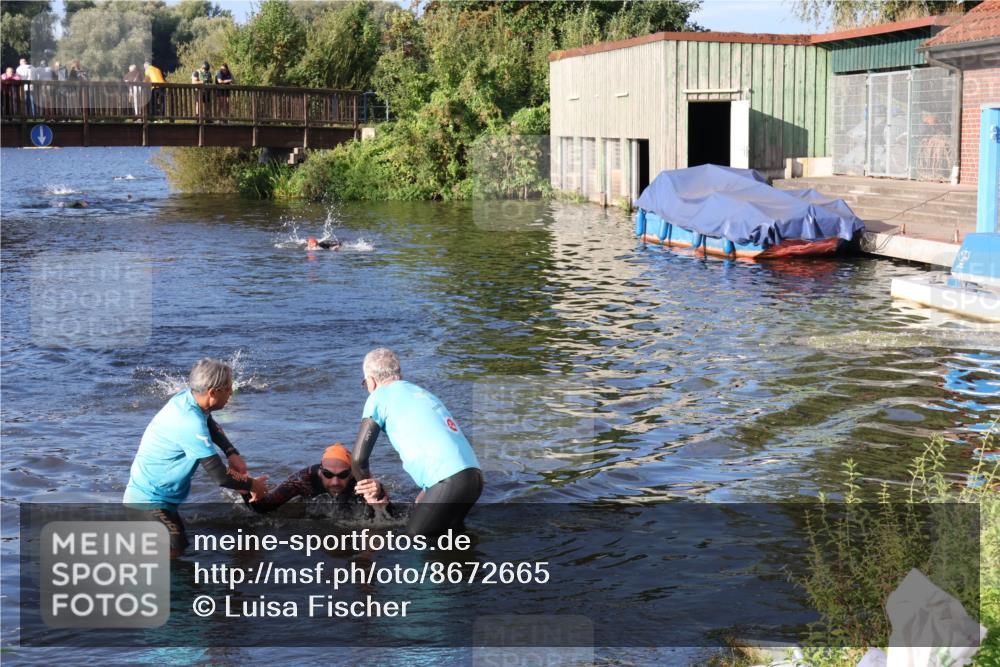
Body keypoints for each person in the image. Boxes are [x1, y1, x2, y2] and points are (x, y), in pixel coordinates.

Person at [123, 358, 268, 558]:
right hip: (148, 501)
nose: (231, 393)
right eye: (228, 388)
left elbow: (208, 422)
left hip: (158, 498)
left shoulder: (187, 399)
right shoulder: (189, 423)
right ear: (212, 392)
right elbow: (220, 477)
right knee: (174, 549)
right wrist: (254, 486)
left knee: (177, 549)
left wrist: (231, 452)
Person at [352, 348, 482, 537]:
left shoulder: (378, 397)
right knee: (453, 541)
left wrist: (372, 497)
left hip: (448, 481)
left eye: (365, 383)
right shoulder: (422, 393)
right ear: (400, 374)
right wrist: (428, 491)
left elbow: (358, 459)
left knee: (415, 539)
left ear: (371, 381)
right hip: (474, 478)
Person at [247, 442, 389, 515]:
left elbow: (394, 518)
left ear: (351, 473)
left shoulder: (361, 481)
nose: (335, 482)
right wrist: (248, 490)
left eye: (343, 475)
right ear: (320, 471)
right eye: (328, 474)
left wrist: (380, 503)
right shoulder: (303, 479)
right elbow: (263, 509)